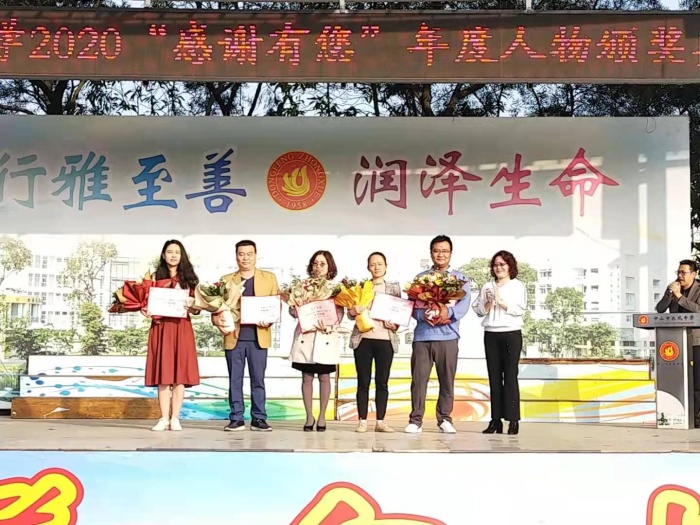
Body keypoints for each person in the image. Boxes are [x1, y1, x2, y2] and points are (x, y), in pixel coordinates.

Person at [405, 235, 471, 434]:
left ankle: (444, 419)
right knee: (418, 380)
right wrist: (422, 315)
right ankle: (416, 420)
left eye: (444, 251)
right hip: (423, 337)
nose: (440, 254)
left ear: (451, 253)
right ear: (431, 253)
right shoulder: (421, 279)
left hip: (448, 337)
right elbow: (412, 306)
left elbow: (463, 306)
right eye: (436, 251)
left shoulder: (459, 279)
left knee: (447, 381)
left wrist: (446, 313)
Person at [213, 240, 279, 432]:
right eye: (241, 254)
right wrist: (217, 321)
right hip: (234, 337)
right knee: (235, 379)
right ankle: (236, 418)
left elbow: (275, 306)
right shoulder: (226, 280)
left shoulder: (269, 278)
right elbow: (216, 309)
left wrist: (269, 320)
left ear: (256, 255)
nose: (245, 258)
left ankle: (259, 418)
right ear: (236, 256)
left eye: (249, 254)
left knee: (258, 380)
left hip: (259, 337)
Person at [143, 239, 201, 432]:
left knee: (179, 374)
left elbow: (197, 309)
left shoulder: (190, 279)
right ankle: (163, 418)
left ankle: (175, 417)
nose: (173, 255)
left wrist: (192, 306)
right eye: (170, 252)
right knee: (163, 374)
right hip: (161, 328)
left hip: (181, 328)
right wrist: (145, 309)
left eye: (177, 252)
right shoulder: (154, 277)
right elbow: (146, 302)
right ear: (163, 255)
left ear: (182, 255)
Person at [472, 250, 527, 435]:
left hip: (511, 333)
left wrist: (501, 301)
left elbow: (520, 309)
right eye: (495, 265)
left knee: (510, 376)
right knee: (494, 377)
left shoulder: (517, 285)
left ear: (510, 266)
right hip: (491, 334)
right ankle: (495, 420)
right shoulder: (487, 286)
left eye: (502, 264)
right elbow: (478, 309)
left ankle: (513, 420)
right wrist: (488, 303)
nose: (499, 268)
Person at [289, 250, 344, 432]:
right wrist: (296, 308)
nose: (318, 267)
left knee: (324, 377)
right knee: (306, 377)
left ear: (329, 267)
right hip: (306, 337)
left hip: (325, 336)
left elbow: (339, 313)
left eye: (322, 264)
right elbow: (292, 311)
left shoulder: (336, 289)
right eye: (315, 263)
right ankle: (309, 416)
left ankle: (322, 417)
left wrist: (328, 325)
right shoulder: (302, 286)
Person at [348, 252, 400, 433]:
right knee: (363, 382)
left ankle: (380, 421)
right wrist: (353, 311)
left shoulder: (393, 288)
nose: (376, 267)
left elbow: (400, 312)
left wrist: (395, 324)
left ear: (386, 266)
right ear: (368, 267)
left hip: (385, 340)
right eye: (372, 264)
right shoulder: (361, 286)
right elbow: (350, 313)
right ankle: (362, 421)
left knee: (382, 382)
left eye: (379, 264)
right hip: (363, 339)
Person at [655, 258, 700, 426]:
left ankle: (696, 417)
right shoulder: (673, 288)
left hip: (696, 342)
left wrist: (680, 297)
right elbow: (660, 309)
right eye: (678, 272)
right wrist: (670, 295)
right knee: (679, 381)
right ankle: (678, 414)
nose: (680, 275)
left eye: (683, 272)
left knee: (696, 382)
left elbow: (698, 310)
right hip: (676, 343)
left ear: (693, 274)